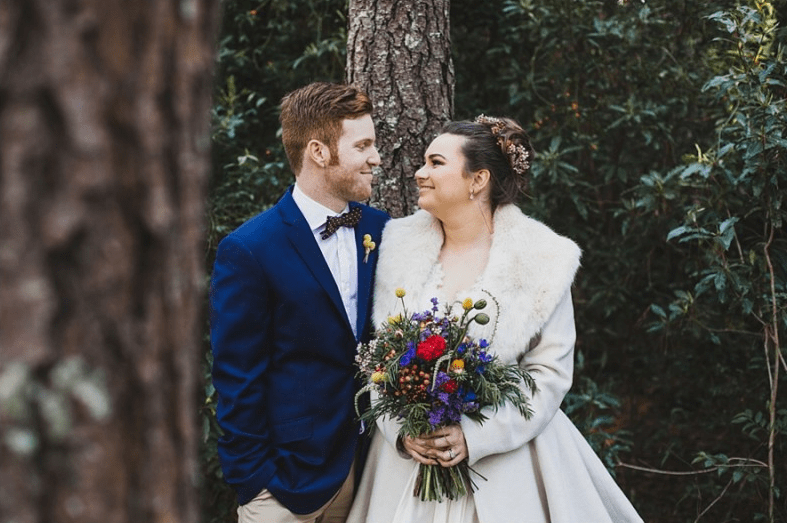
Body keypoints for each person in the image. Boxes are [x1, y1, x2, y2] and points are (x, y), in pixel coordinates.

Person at [347, 116, 643, 522]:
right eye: (424, 162)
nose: (419, 173)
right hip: (405, 467)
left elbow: (549, 374)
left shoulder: (543, 259)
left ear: (477, 179)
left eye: (436, 163)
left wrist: (475, 436)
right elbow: (380, 358)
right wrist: (402, 430)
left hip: (507, 466)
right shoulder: (395, 246)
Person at [210, 82, 389, 523]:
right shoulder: (249, 249)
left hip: (368, 471)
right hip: (283, 486)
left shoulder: (382, 229)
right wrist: (254, 481)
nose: (377, 157)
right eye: (363, 145)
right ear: (319, 152)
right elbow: (236, 377)